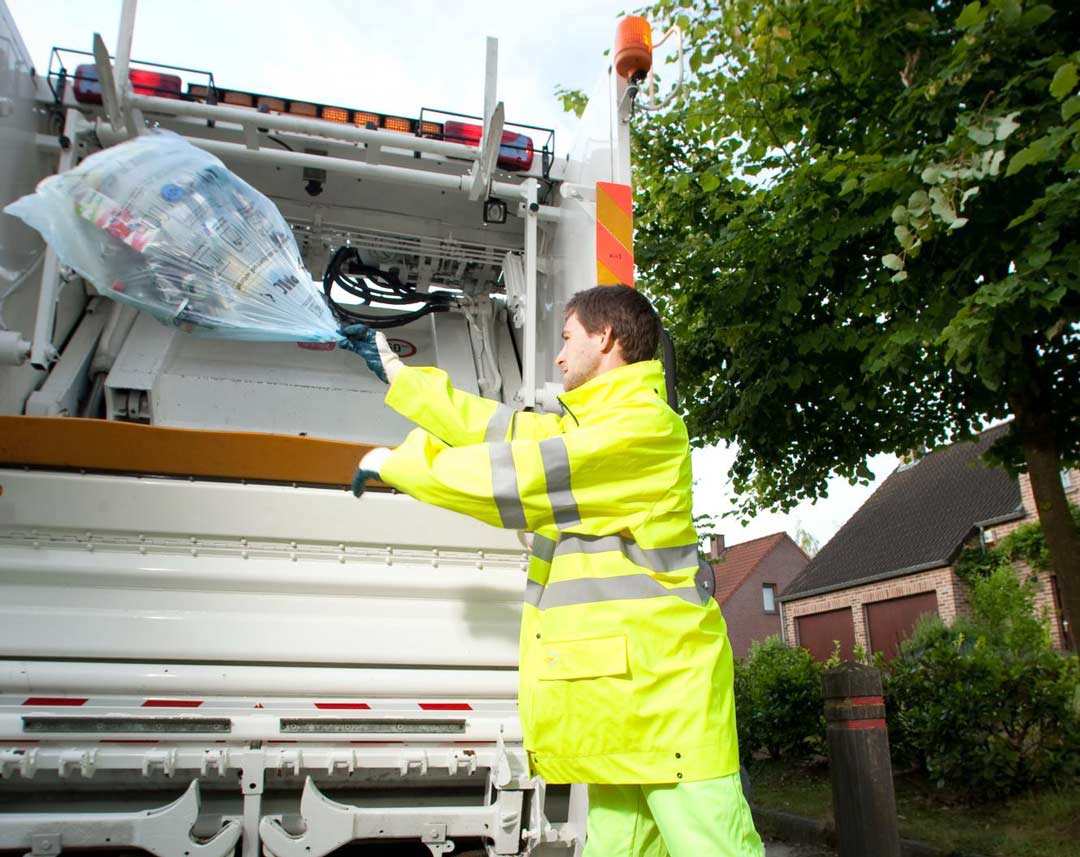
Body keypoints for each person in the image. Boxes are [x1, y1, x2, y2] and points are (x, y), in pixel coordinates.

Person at [340, 285, 764, 857]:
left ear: (606, 338)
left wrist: (401, 465)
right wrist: (401, 379)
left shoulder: (643, 430)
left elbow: (518, 477)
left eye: (567, 340)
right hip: (631, 704)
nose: (559, 357)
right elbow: (502, 431)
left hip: (666, 706)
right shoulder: (593, 429)